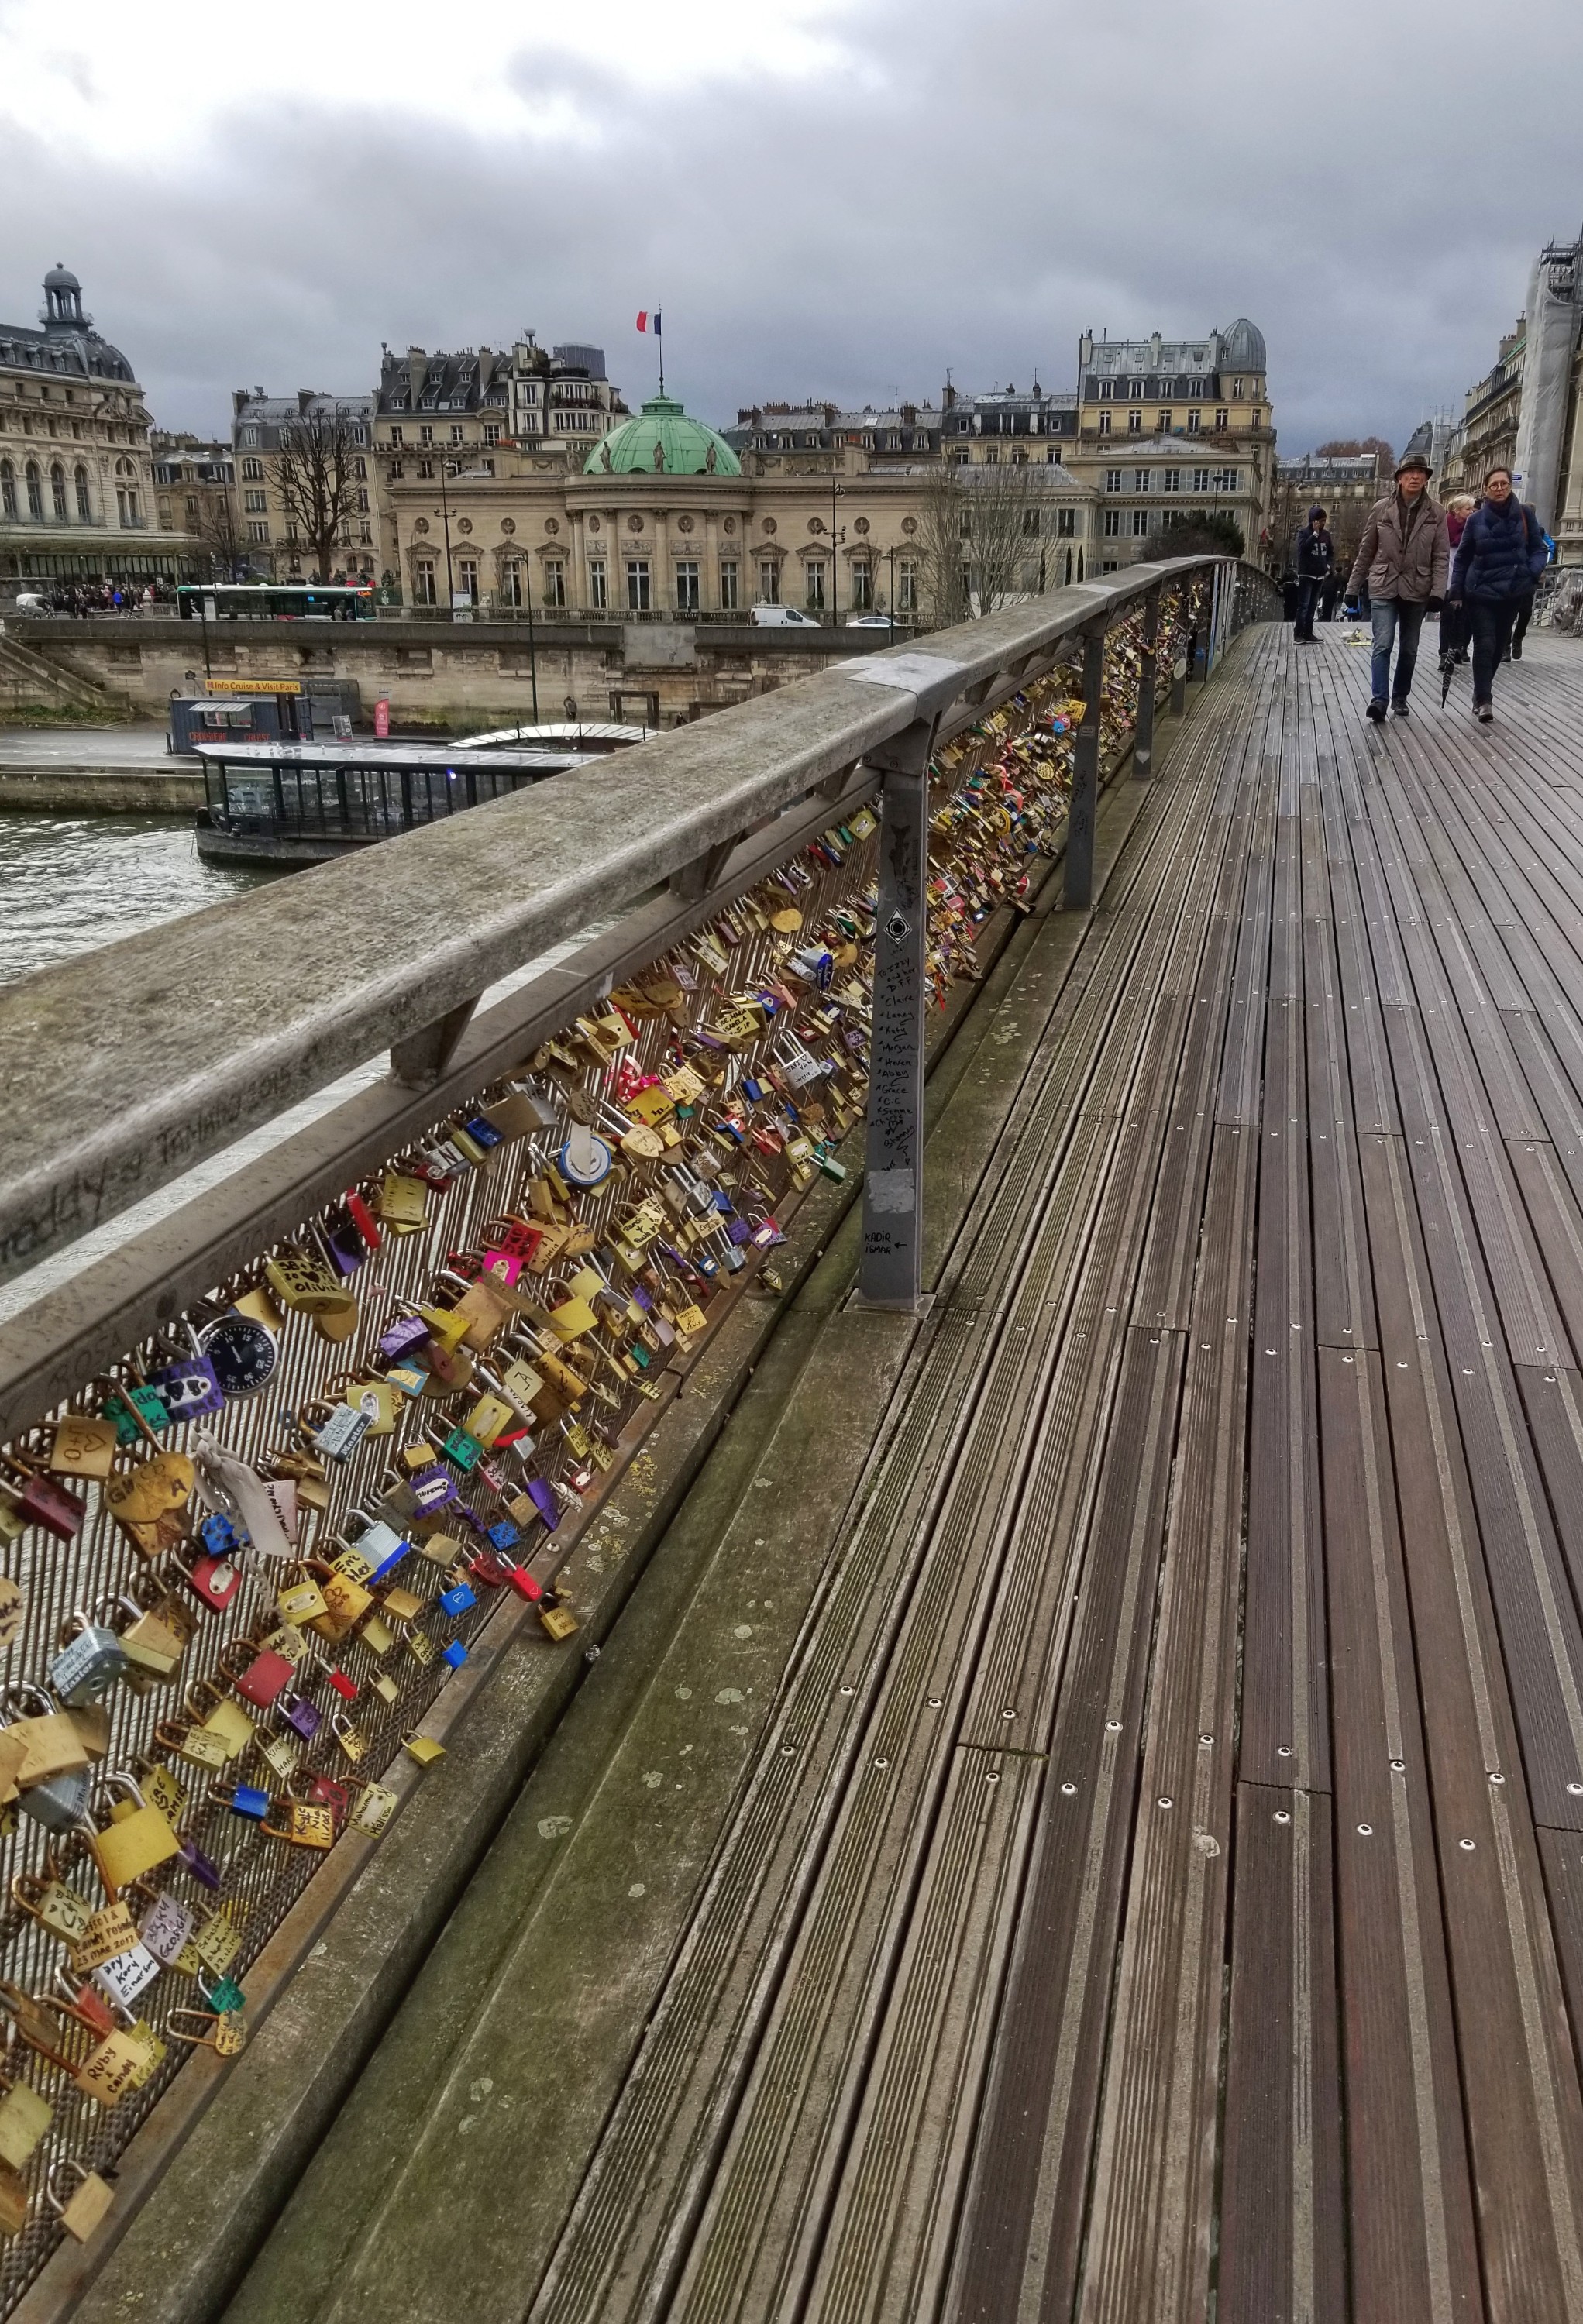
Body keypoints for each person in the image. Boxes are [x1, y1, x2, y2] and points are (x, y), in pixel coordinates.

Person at [1345, 450, 1448, 721]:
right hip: (1384, 583)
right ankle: (1379, 699)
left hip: (1418, 586)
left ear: (1426, 479)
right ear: (1400, 478)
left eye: (1420, 473)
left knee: (1410, 648)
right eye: (1409, 472)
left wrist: (1438, 592)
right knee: (1383, 644)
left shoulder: (1436, 512)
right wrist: (1352, 587)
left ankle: (1400, 695)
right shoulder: (1381, 509)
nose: (1415, 477)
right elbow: (1367, 550)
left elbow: (1441, 555)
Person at [1446, 466, 1549, 721]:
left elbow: (1539, 548)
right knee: (1485, 643)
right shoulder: (1475, 520)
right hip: (1480, 591)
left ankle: (1480, 692)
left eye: (1504, 483)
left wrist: (1531, 572)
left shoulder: (1525, 515)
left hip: (1513, 591)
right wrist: (1456, 591)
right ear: (1486, 489)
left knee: (1498, 646)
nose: (1500, 488)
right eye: (1494, 485)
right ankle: (1484, 701)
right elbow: (1462, 558)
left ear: (1509, 486)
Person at [1439, 493, 1475, 666]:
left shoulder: (1472, 528)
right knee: (1448, 618)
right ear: (1457, 510)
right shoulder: (1445, 526)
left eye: (1472, 509)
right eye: (1468, 509)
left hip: (1464, 578)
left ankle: (1458, 649)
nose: (1471, 512)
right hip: (1446, 577)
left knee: (1463, 618)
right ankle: (1444, 653)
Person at [1292, 504, 1333, 641]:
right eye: (1320, 520)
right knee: (1303, 606)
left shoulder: (1327, 535)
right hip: (1306, 574)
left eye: (1324, 520)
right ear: (1313, 521)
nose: (1323, 523)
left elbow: (1330, 552)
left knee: (1312, 606)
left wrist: (1327, 565)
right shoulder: (1304, 533)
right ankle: (1298, 633)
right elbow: (1303, 549)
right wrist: (1314, 535)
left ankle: (1308, 632)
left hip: (1320, 575)